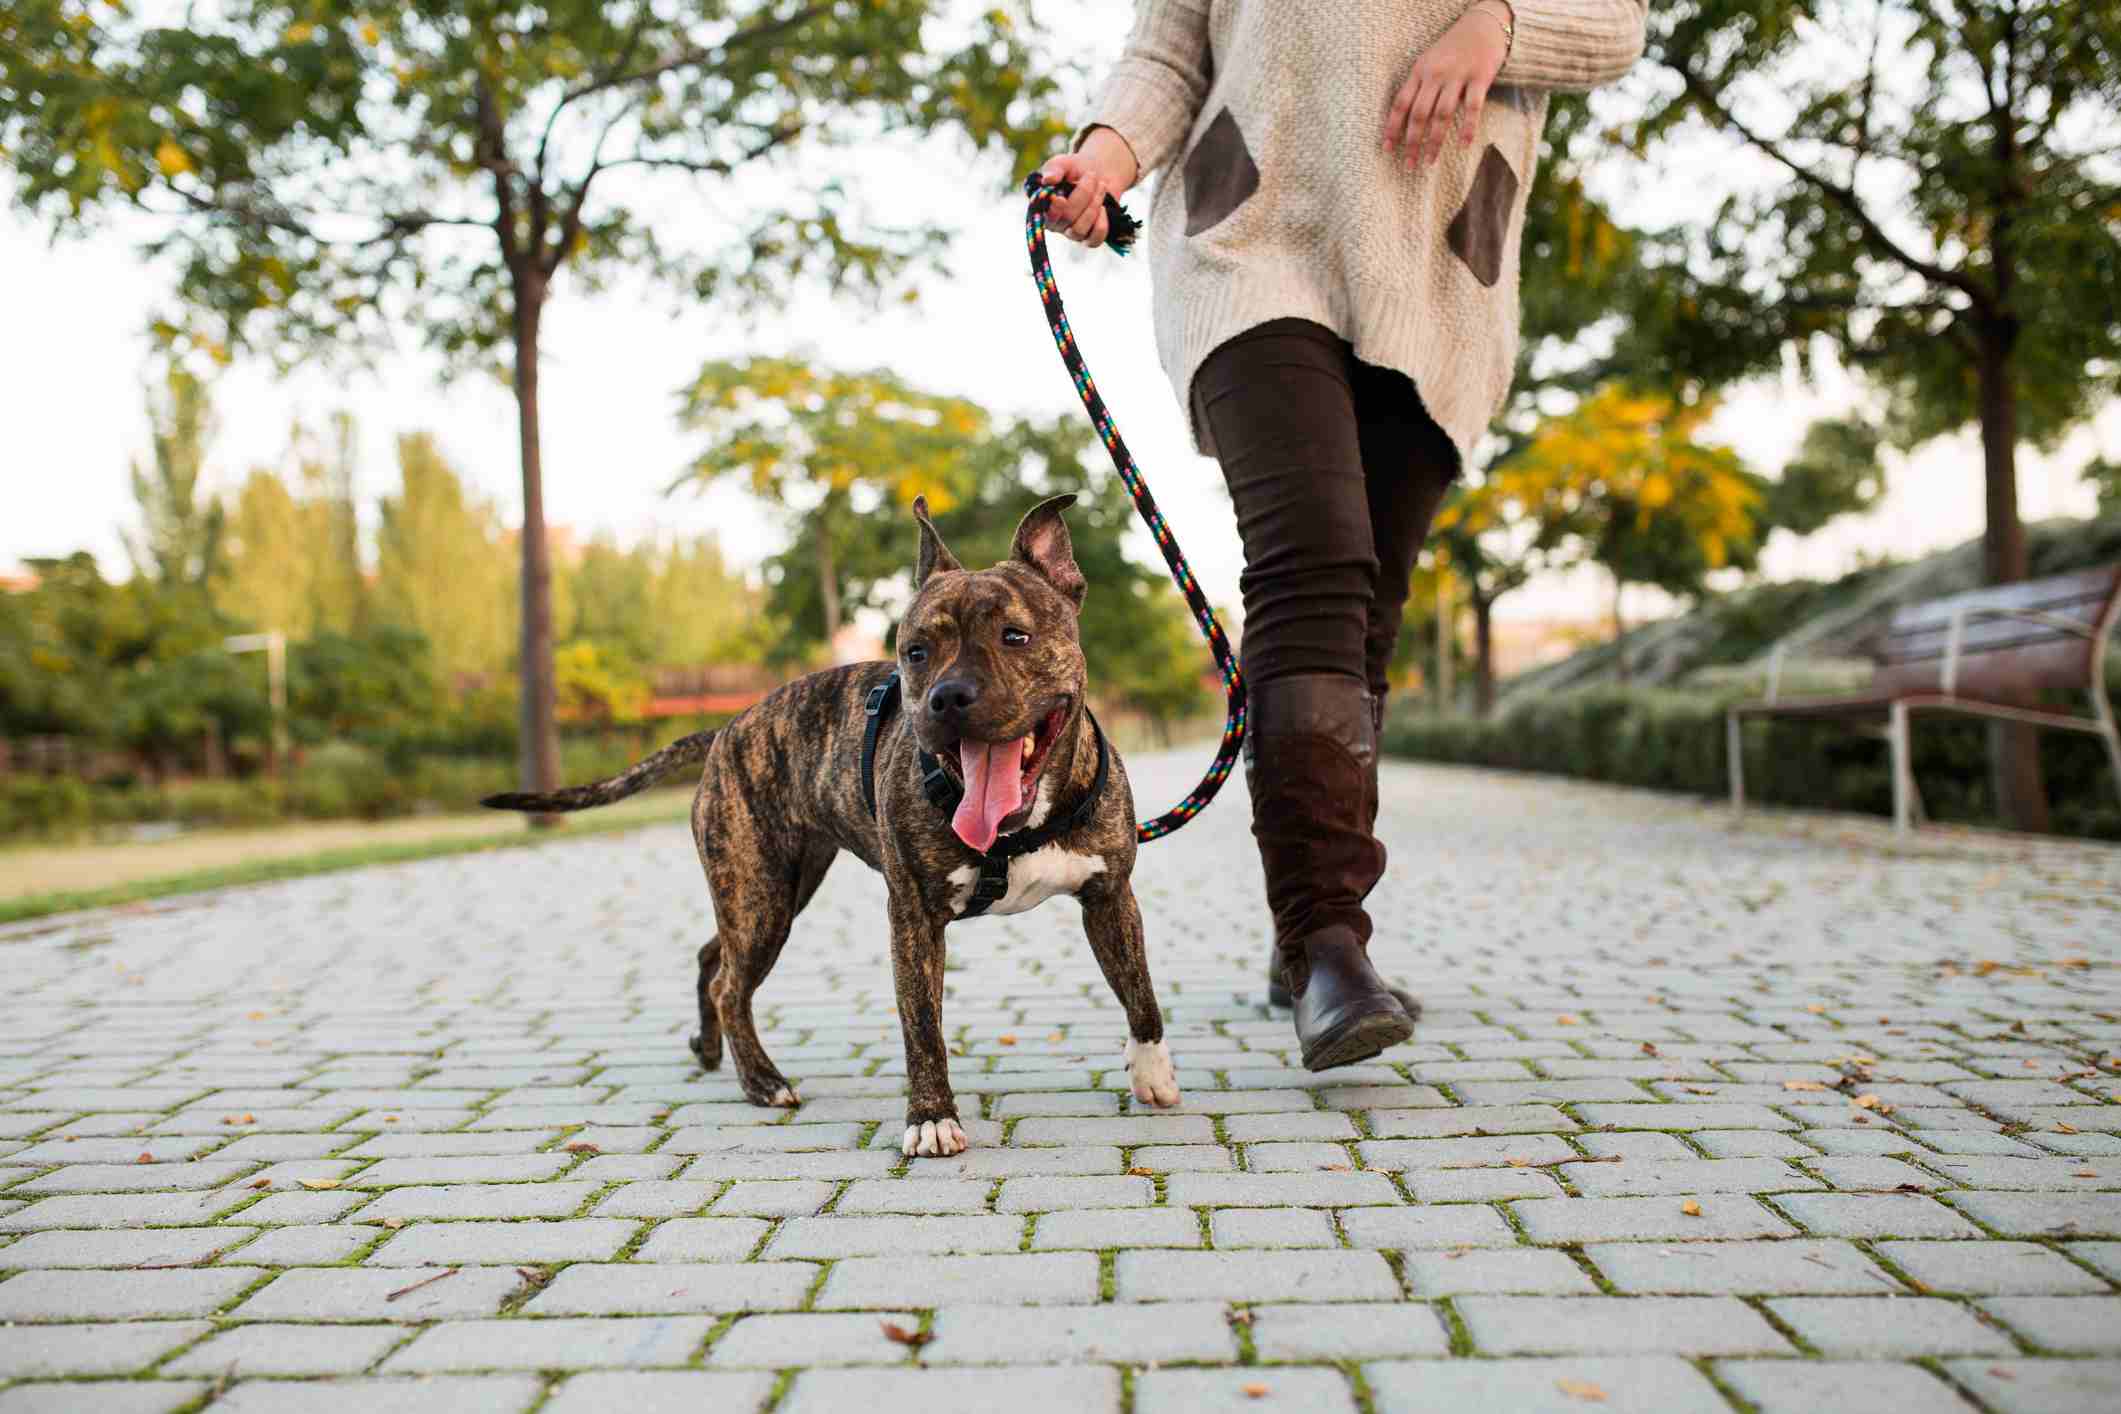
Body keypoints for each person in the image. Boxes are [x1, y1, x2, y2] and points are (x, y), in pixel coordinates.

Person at [1040, 1, 1647, 1070]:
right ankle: (1328, 939)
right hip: (1253, 234)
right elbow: (1171, 46)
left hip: (1439, 251)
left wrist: (1498, 27)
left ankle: (1303, 940)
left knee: (1367, 606)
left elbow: (1616, 20)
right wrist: (1105, 156)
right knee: (1313, 557)